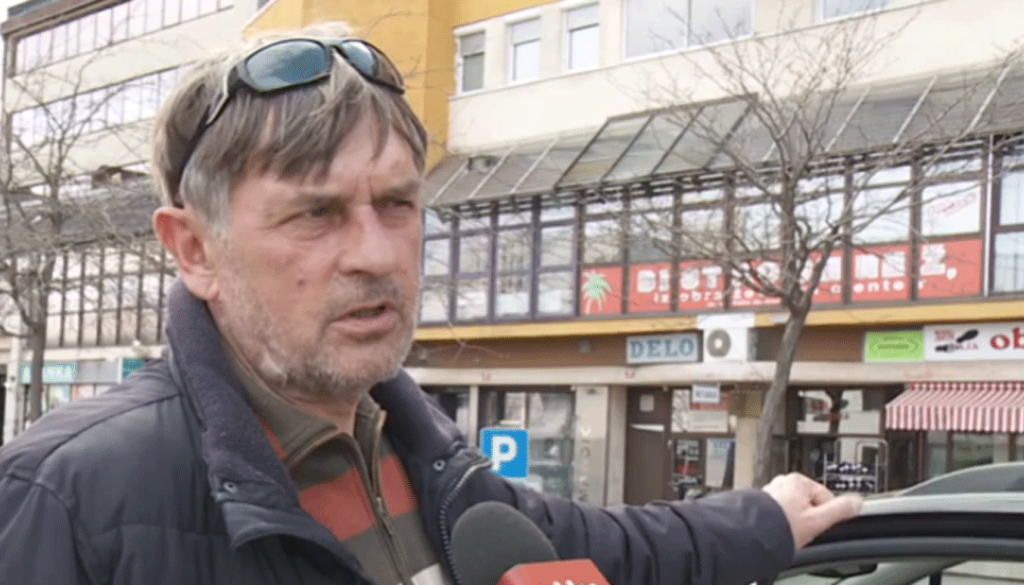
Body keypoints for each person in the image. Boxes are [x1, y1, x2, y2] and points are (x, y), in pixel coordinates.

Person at [0, 23, 862, 585]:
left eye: (398, 203)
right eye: (315, 213)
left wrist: (765, 517)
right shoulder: (64, 495)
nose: (377, 254)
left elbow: (613, 546)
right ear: (194, 249)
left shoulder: (434, 462)